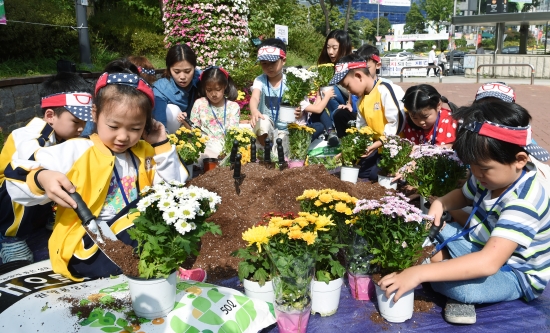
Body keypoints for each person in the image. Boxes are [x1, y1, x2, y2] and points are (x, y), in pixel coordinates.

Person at [5, 64, 189, 280]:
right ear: (95, 114)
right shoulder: (78, 150)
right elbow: (15, 177)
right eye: (113, 126)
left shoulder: (145, 152)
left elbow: (174, 188)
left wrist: (161, 143)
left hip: (133, 237)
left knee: (165, 219)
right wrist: (41, 177)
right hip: (89, 246)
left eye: (135, 128)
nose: (123, 137)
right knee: (144, 223)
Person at [378, 101, 550, 325]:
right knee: (419, 228)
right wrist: (441, 203)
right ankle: (441, 262)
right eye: (472, 167)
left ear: (519, 160)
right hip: (478, 244)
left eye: (484, 168)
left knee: (461, 290)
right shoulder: (489, 178)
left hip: (512, 273)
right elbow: (463, 195)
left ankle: (439, 266)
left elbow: (488, 263)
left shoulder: (524, 202)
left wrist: (418, 274)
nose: (476, 174)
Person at [0, 72, 92, 264]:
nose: (81, 128)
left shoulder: (64, 136)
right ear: (50, 115)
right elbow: (24, 166)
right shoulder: (29, 135)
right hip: (8, 194)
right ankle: (12, 238)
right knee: (24, 180)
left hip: (40, 195)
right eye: (76, 122)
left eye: (84, 122)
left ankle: (50, 217)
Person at [329, 53, 406, 181]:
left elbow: (397, 123)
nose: (349, 91)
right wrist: (348, 151)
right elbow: (362, 129)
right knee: (362, 172)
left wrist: (376, 144)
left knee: (375, 175)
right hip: (378, 147)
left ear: (359, 76)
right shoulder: (360, 101)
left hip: (394, 146)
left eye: (348, 85)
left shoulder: (384, 90)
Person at [189, 66, 240, 161]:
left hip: (225, 146)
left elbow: (233, 132)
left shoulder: (233, 106)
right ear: (204, 88)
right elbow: (194, 129)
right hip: (206, 146)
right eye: (209, 90)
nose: (214, 94)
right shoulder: (200, 103)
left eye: (218, 89)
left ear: (225, 86)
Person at [332, 44, 381, 138]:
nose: (365, 69)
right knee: (340, 114)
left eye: (367, 67)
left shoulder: (384, 89)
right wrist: (348, 105)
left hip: (381, 136)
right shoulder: (357, 91)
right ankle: (345, 144)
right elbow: (351, 105)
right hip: (362, 123)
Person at [249, 38, 289, 150]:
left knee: (279, 155)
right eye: (264, 63)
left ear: (283, 60)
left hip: (285, 128)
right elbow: (255, 97)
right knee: (262, 122)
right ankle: (264, 149)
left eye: (273, 62)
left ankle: (274, 153)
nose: (269, 67)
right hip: (267, 126)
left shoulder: (290, 81)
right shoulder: (260, 80)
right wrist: (254, 111)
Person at [152, 44, 200, 133]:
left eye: (187, 71)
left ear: (194, 68)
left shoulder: (201, 78)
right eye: (176, 71)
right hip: (172, 131)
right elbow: (160, 121)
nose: (182, 77)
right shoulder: (161, 89)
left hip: (197, 126)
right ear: (169, 69)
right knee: (173, 111)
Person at [317, 30, 355, 139]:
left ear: (344, 47)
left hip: (353, 105)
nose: (330, 52)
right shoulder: (326, 68)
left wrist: (349, 103)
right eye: (328, 47)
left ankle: (335, 124)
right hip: (337, 106)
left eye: (334, 48)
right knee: (326, 89)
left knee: (329, 87)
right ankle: (333, 127)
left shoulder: (352, 65)